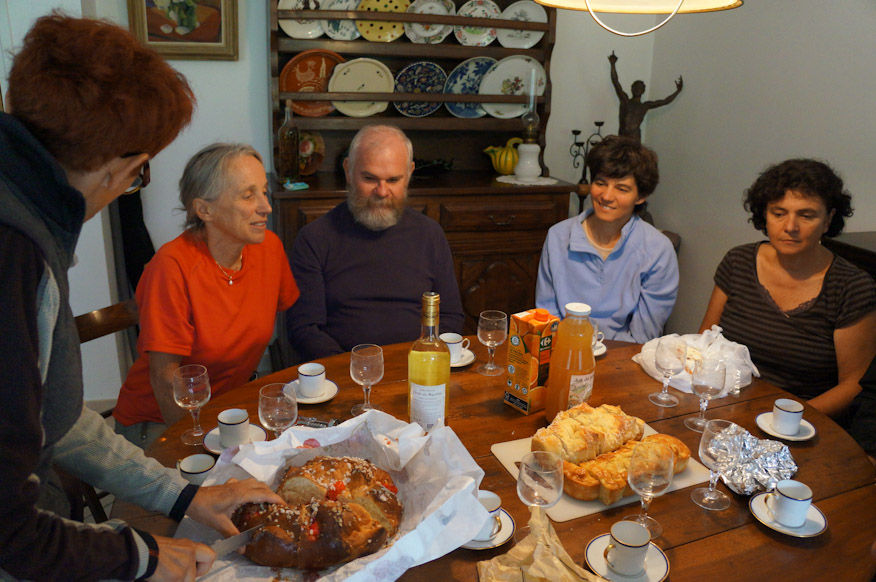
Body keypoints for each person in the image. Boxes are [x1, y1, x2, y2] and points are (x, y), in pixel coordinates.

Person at [0, 14, 283, 582]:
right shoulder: (16, 254)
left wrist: (184, 497)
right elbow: (11, 531)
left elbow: (56, 415)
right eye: (135, 176)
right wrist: (137, 555)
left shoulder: (24, 211)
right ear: (116, 167)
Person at [113, 143, 299, 448]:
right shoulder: (172, 267)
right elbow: (164, 378)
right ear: (204, 210)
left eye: (264, 192)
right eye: (248, 195)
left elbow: (286, 320)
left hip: (229, 413)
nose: (266, 206)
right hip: (162, 423)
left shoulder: (269, 248)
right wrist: (195, 450)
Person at [699, 159, 876, 418]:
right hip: (724, 408)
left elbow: (853, 386)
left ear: (828, 220)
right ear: (765, 215)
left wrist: (784, 419)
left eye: (806, 215)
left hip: (801, 421)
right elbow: (705, 343)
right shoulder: (738, 261)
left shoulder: (851, 287)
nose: (790, 227)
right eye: (779, 213)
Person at [286, 125, 464, 361]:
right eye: (369, 178)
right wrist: (358, 368)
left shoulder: (430, 234)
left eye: (393, 180)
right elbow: (304, 329)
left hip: (418, 367)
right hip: (345, 371)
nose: (382, 191)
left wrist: (421, 362)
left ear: (409, 174)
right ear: (348, 171)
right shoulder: (314, 238)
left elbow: (450, 317)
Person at [535, 135, 679, 343]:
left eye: (622, 189)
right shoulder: (558, 237)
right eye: (600, 183)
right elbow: (548, 319)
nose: (606, 196)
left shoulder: (658, 250)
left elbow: (643, 336)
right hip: (564, 348)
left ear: (640, 196)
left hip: (626, 354)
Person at [609, 51, 683, 143]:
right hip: (622, 137)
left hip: (635, 139)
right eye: (635, 87)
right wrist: (613, 64)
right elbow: (615, 82)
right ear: (632, 89)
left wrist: (677, 91)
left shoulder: (645, 106)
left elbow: (665, 101)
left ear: (643, 91)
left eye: (640, 88)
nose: (637, 89)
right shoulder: (625, 100)